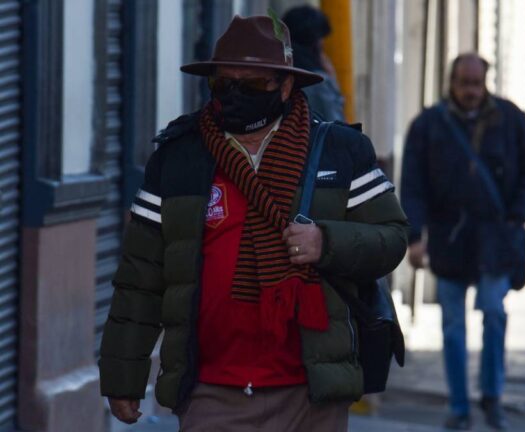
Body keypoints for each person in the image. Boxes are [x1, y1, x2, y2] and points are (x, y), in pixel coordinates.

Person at [98, 15, 408, 431]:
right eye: (225, 84)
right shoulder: (178, 158)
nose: (237, 94)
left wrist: (326, 241)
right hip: (211, 392)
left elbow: (391, 239)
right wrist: (123, 376)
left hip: (310, 392)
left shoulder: (340, 152)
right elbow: (141, 276)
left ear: (285, 86)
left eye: (255, 84)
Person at [401, 53, 525, 431]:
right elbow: (413, 186)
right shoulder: (429, 125)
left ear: (486, 83)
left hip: (495, 237)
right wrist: (415, 237)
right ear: (451, 82)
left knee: (494, 314)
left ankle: (492, 397)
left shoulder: (510, 119)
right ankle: (460, 406)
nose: (470, 91)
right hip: (449, 237)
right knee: (452, 324)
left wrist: (517, 215)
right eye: (464, 83)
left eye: (476, 84)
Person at [282, 5, 346, 122]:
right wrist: (331, 80)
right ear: (314, 43)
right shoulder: (318, 83)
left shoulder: (275, 74)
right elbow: (338, 128)